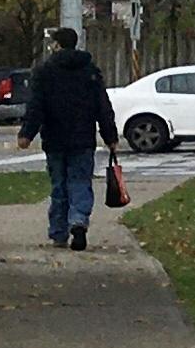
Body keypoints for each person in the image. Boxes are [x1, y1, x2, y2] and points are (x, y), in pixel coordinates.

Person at [17, 27, 121, 250]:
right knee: (80, 180)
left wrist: (27, 133)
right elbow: (102, 107)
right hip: (83, 138)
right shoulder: (90, 71)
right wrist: (110, 136)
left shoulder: (45, 72)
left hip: (54, 137)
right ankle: (79, 221)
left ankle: (59, 232)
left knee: (59, 185)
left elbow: (37, 107)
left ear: (57, 45)